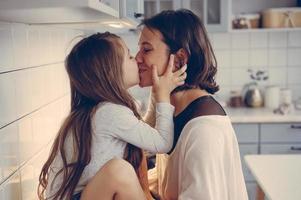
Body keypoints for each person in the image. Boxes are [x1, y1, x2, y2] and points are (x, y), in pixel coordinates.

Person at [37, 32, 187, 200]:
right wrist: (163, 95)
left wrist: (157, 90)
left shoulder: (97, 111)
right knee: (119, 170)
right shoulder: (109, 112)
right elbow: (162, 143)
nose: (137, 59)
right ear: (110, 72)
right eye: (129, 56)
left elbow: (143, 135)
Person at [135, 9, 249, 200]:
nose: (137, 58)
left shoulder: (204, 130)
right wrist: (158, 96)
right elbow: (143, 145)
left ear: (179, 60)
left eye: (146, 49)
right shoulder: (172, 105)